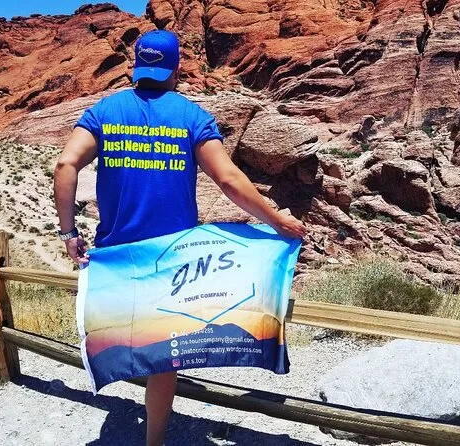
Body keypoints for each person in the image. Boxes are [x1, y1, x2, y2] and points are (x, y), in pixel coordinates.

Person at [53, 29, 306, 446]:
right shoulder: (191, 117)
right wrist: (276, 219)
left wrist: (68, 232)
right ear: (176, 69)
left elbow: (66, 164)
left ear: (136, 65)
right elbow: (228, 179)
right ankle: (154, 441)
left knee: (121, 340)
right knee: (164, 356)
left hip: (117, 255)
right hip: (173, 259)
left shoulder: (106, 111)